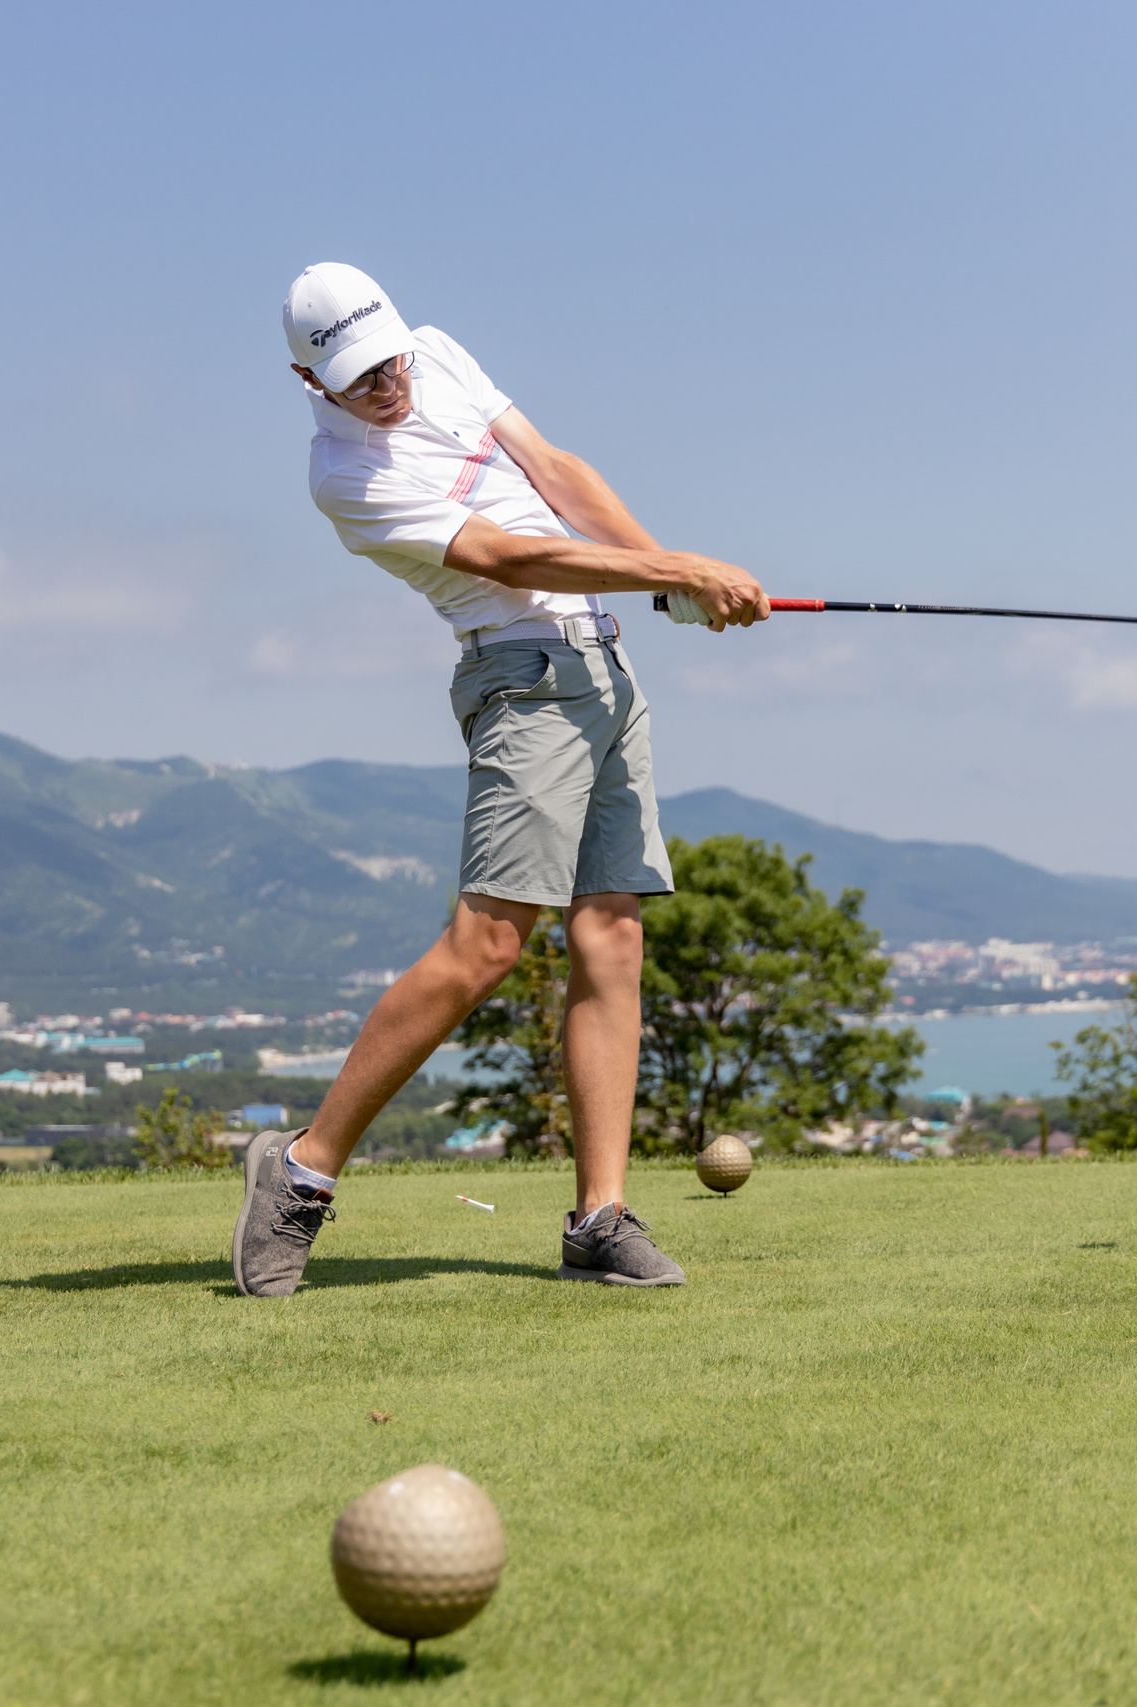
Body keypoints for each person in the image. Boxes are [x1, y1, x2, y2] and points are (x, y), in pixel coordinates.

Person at [232, 263, 768, 1298]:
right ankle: (300, 1170)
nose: (387, 383)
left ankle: (599, 1220)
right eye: (358, 377)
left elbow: (554, 470)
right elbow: (508, 556)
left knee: (612, 933)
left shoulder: (435, 352)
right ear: (306, 380)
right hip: (521, 681)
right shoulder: (344, 475)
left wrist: (660, 568)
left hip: (603, 667)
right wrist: (681, 572)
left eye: (389, 359)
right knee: (488, 945)